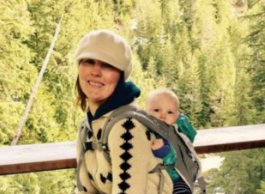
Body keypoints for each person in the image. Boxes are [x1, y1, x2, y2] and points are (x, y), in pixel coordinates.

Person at [74, 30, 173, 194]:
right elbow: (84, 189)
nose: (96, 72)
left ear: (120, 76)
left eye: (107, 65)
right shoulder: (87, 127)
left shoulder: (128, 128)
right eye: (89, 61)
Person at [146, 88, 197, 194]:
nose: (163, 115)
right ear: (145, 111)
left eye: (170, 112)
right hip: (156, 179)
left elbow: (177, 154)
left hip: (176, 176)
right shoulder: (144, 128)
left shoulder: (173, 132)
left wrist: (163, 152)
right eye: (156, 110)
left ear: (177, 115)